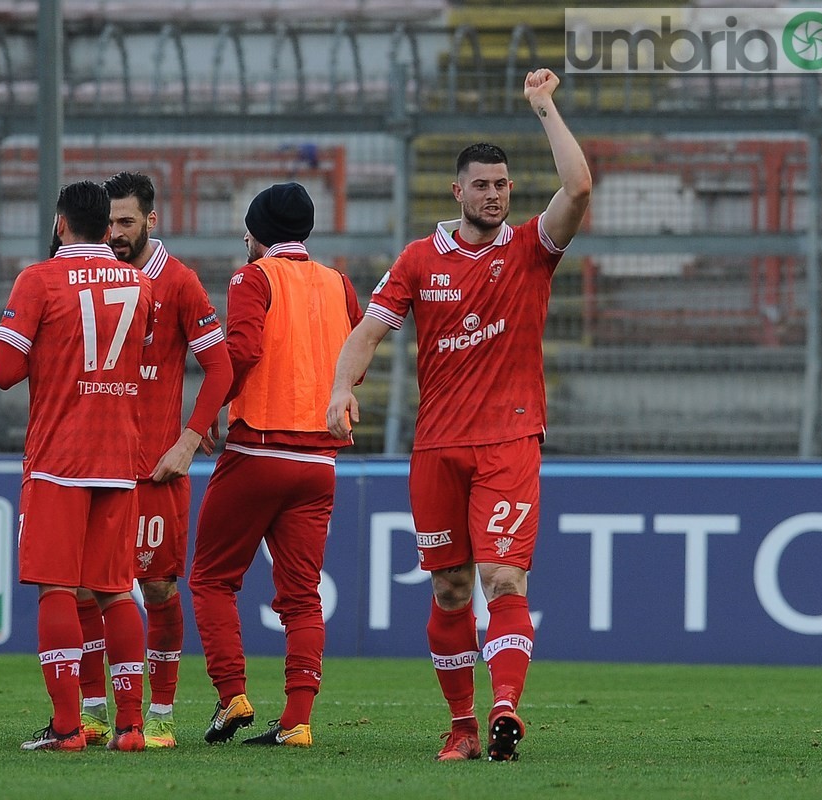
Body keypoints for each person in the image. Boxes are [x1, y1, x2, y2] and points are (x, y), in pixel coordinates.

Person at [326, 68, 592, 762]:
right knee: (449, 590)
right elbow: (367, 333)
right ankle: (463, 726)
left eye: (502, 185)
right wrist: (339, 389)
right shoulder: (419, 259)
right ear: (457, 191)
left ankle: (505, 709)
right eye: (482, 185)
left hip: (509, 440)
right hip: (438, 446)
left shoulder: (532, 250)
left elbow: (580, 187)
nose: (495, 195)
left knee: (503, 578)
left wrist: (546, 110)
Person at [189, 181, 362, 748]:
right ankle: (298, 721)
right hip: (318, 460)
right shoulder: (339, 284)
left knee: (212, 578)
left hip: (259, 449)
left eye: (247, 228)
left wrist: (208, 410)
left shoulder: (252, 276)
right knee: (302, 595)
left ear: (257, 232)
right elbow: (353, 365)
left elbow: (241, 350)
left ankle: (232, 694)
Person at [0, 180, 155, 753]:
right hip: (118, 454)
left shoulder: (37, 280)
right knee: (116, 591)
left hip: (60, 456)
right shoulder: (139, 282)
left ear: (61, 224)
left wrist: (46, 345)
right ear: (108, 229)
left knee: (57, 590)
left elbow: (4, 371)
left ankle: (67, 728)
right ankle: (132, 727)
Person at [74, 171, 233, 750]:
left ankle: (160, 715)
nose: (115, 233)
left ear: (151, 221)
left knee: (160, 590)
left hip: (154, 468)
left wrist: (190, 438)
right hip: (93, 464)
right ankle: (94, 713)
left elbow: (220, 366)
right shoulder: (88, 278)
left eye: (126, 222)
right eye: (108, 222)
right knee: (86, 593)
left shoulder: (179, 283)